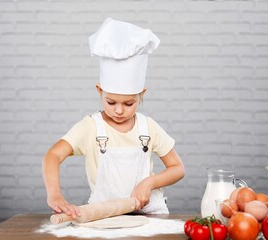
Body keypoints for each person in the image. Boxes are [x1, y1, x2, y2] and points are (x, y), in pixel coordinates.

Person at [42, 18, 185, 219]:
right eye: (110, 102)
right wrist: (54, 193)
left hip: (150, 217)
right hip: (104, 217)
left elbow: (178, 168)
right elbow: (52, 156)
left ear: (141, 94)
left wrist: (148, 183)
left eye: (129, 104)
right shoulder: (90, 127)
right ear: (99, 91)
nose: (119, 111)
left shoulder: (148, 127)